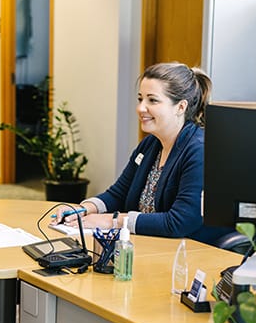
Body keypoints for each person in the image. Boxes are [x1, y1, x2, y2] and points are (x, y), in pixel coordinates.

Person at [54, 62, 230, 245]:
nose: (140, 108)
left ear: (181, 107)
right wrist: (84, 209)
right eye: (140, 99)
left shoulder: (199, 150)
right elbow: (118, 194)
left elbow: (179, 222)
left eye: (152, 100)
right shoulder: (151, 144)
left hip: (188, 254)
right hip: (149, 246)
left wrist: (112, 221)